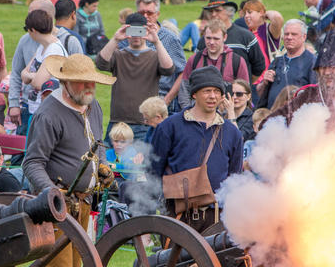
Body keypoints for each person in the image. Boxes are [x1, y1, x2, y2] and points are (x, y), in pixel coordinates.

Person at [23, 54, 116, 267]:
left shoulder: (92, 105)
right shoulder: (48, 114)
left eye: (91, 81)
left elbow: (98, 143)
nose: (89, 87)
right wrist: (52, 195)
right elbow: (32, 163)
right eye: (82, 82)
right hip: (58, 207)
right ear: (65, 83)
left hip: (83, 204)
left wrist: (102, 167)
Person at [150, 66, 244, 231]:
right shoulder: (169, 127)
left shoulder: (232, 133)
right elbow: (154, 169)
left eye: (217, 91)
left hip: (216, 216)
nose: (213, 96)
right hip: (177, 212)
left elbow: (234, 176)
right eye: (207, 91)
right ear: (194, 94)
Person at [97, 12, 174, 141]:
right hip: (118, 122)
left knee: (142, 160)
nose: (136, 36)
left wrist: (157, 42)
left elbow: (169, 69)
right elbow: (100, 63)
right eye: (132, 30)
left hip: (145, 123)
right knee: (110, 159)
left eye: (140, 31)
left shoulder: (155, 56)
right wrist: (116, 39)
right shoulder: (118, 55)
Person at [168, 18, 250, 108]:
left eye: (216, 39)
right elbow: (184, 90)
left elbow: (244, 93)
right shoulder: (194, 60)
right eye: (208, 38)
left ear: (225, 37)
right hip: (197, 115)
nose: (211, 42)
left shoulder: (237, 61)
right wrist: (189, 111)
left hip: (227, 116)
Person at [8, 0, 55, 135]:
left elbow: (37, 82)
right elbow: (18, 73)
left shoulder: (60, 44)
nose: (28, 19)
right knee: (21, 151)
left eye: (32, 14)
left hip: (51, 109)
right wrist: (14, 103)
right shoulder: (28, 41)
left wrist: (30, 76)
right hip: (28, 107)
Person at [127, 0, 186, 101]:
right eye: (141, 13)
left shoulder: (169, 38)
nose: (145, 16)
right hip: (132, 98)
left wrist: (167, 100)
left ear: (157, 14)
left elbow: (183, 71)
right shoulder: (128, 36)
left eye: (149, 13)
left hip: (159, 97)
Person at [195, 0, 264, 79]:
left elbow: (259, 67)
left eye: (217, 10)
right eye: (211, 11)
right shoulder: (204, 40)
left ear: (229, 12)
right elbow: (197, 67)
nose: (213, 14)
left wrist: (244, 85)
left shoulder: (246, 36)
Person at [20, 9, 69, 122]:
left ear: (32, 30)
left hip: (47, 114)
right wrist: (36, 76)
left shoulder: (54, 50)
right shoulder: (43, 46)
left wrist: (32, 76)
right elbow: (23, 74)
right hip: (35, 110)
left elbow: (38, 83)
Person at [257, 19, 317, 109]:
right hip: (272, 116)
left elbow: (316, 96)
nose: (289, 37)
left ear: (304, 37)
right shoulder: (277, 61)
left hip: (296, 117)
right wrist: (264, 83)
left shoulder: (312, 62)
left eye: (294, 34)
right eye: (286, 34)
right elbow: (260, 93)